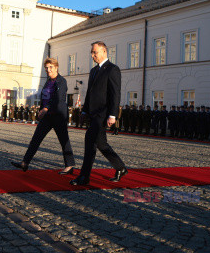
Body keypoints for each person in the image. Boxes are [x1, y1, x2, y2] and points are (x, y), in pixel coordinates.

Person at [70, 41, 127, 186]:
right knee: (101, 144)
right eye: (92, 52)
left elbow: (115, 93)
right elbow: (90, 92)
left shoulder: (112, 69)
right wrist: (84, 110)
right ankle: (120, 167)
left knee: (90, 142)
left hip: (103, 113)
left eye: (95, 52)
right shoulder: (94, 70)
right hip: (93, 113)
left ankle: (84, 177)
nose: (92, 55)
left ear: (104, 52)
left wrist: (113, 115)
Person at [11, 57, 75, 174]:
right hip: (47, 116)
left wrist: (46, 108)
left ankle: (70, 165)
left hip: (58, 116)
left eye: (50, 67)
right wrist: (42, 110)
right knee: (35, 139)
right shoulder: (48, 81)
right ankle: (25, 162)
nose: (48, 70)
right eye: (46, 68)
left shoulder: (61, 81)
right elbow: (44, 98)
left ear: (56, 67)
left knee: (64, 140)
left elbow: (58, 98)